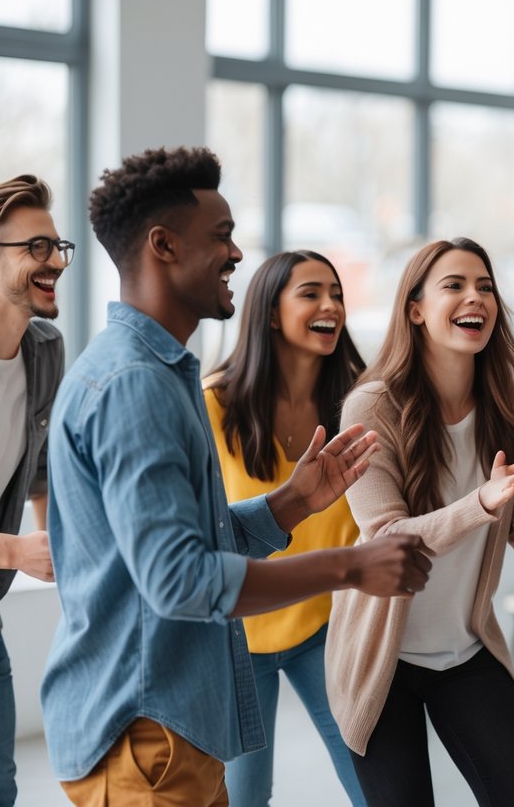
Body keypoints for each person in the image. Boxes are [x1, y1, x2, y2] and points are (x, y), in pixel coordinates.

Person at [40, 146, 430, 806]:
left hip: (169, 736)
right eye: (221, 236)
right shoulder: (136, 384)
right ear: (163, 246)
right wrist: (352, 567)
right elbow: (181, 580)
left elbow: (191, 541)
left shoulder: (160, 371)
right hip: (143, 743)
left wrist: (288, 504)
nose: (237, 255)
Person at [325, 237, 514, 807]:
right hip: (380, 658)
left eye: (486, 286)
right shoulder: (371, 407)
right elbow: (386, 541)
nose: (476, 297)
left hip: (467, 651)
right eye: (455, 285)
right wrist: (481, 504)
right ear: (415, 309)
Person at [204, 251, 368, 806]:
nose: (330, 306)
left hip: (326, 629)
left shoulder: (362, 402)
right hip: (238, 638)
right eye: (311, 293)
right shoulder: (212, 405)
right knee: (244, 799)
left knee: (375, 785)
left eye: (337, 294)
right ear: (271, 314)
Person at [0, 175, 69, 807]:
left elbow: (38, 471)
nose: (55, 261)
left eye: (58, 247)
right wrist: (16, 553)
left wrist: (52, 537)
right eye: (36, 247)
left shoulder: (45, 350)